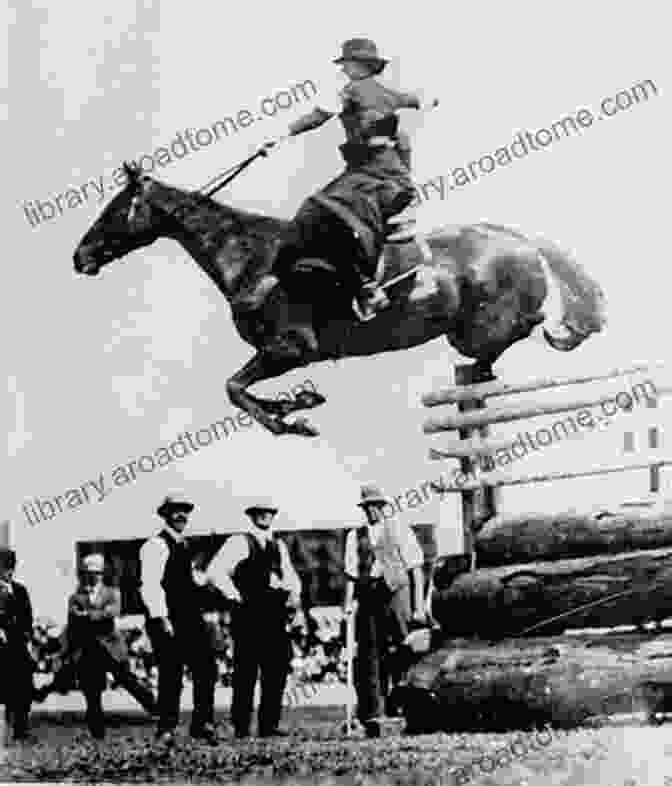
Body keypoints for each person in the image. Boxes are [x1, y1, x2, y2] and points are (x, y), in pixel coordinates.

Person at [266, 38, 439, 321]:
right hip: (380, 173)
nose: (345, 69)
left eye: (348, 64)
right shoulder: (388, 94)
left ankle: (368, 289)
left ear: (361, 66)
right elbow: (418, 102)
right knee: (326, 211)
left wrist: (282, 134)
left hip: (374, 175)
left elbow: (319, 116)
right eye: (345, 65)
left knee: (331, 215)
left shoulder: (351, 92)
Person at [206, 500, 301, 739]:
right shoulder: (239, 541)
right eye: (259, 512)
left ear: (273, 515)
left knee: (276, 669)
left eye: (268, 512)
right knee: (246, 671)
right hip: (248, 613)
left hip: (275, 613)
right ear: (251, 516)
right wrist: (235, 596)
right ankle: (241, 726)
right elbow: (215, 572)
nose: (264, 516)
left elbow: (291, 577)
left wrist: (293, 597)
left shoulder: (278, 545)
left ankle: (269, 724)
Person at [343, 484, 426, 737]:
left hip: (397, 593)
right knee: (371, 653)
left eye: (377, 506)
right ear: (364, 509)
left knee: (404, 649)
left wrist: (419, 606)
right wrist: (348, 603)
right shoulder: (354, 537)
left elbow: (415, 568)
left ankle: (406, 708)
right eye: (368, 507)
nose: (373, 511)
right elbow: (351, 575)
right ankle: (374, 713)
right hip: (369, 596)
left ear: (384, 507)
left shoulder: (398, 528)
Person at [139, 493, 220, 745]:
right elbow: (150, 585)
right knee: (170, 674)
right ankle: (166, 728)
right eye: (176, 510)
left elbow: (188, 583)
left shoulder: (184, 546)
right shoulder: (156, 545)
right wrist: (162, 618)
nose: (181, 515)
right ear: (164, 513)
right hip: (168, 618)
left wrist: (203, 583)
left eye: (185, 510)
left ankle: (202, 723)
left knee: (206, 668)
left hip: (190, 618)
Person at [0, 547, 35, 742]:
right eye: (5, 568)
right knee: (7, 689)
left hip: (19, 646)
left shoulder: (20, 590)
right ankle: (8, 726)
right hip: (2, 647)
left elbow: (28, 617)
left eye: (11, 567)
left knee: (23, 688)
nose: (8, 572)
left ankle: (21, 729)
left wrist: (27, 635)